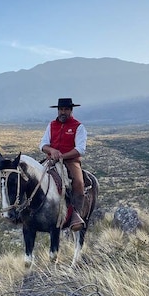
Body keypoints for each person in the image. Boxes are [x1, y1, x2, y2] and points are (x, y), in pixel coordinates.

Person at [39, 98, 87, 231]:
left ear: (71, 110)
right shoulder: (51, 125)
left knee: (78, 183)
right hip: (51, 161)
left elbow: (81, 149)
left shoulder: (78, 126)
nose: (63, 112)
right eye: (61, 109)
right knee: (34, 178)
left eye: (66, 109)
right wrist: (51, 150)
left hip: (71, 161)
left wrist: (62, 156)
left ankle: (76, 214)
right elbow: (42, 144)